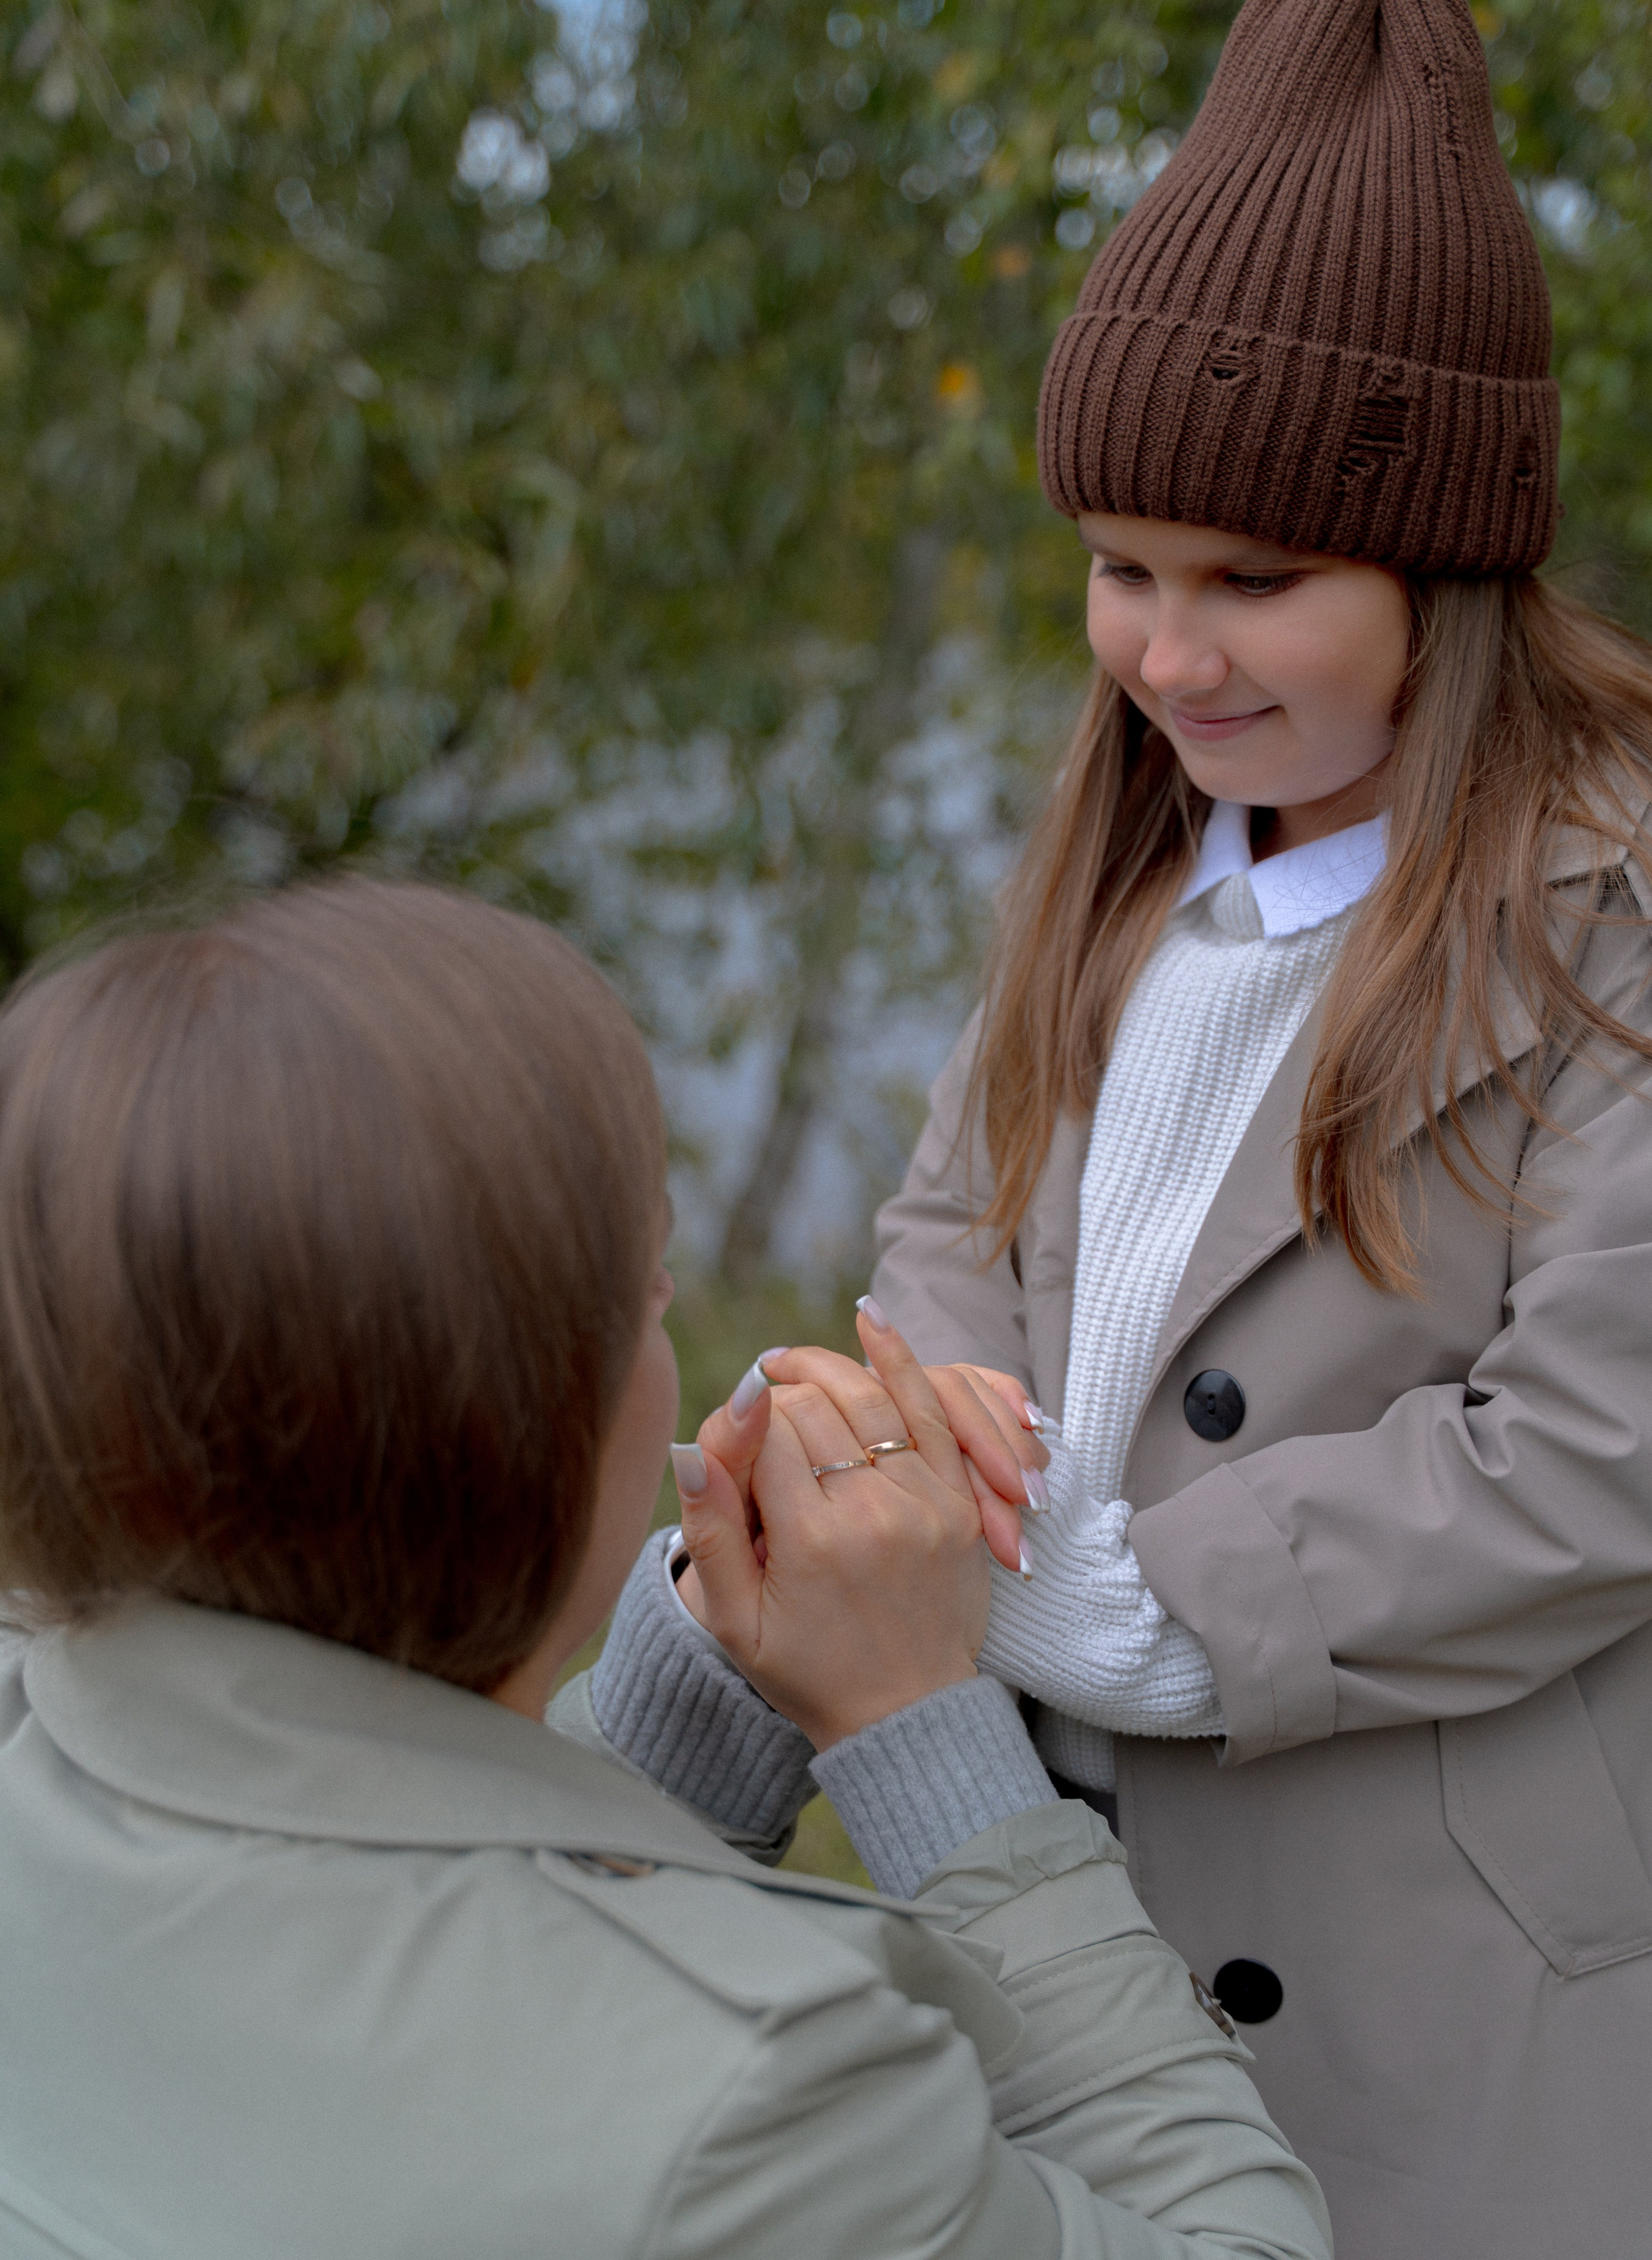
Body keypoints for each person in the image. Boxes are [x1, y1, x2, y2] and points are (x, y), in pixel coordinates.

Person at [0, 878, 1329, 2260]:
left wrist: (702, 1678)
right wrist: (925, 1731)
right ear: (528, 1430)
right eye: (647, 1289)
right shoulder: (756, 2091)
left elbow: (382, 1894)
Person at [871, 3, 1652, 2256]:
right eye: (1125, 568)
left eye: (1255, 581)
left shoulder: (1606, 918)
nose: (1169, 655)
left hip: (1450, 1961)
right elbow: (955, 1218)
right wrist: (941, 1455)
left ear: (1444, 567)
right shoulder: (1120, 867)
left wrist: (1128, 1615)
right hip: (1062, 1893)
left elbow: (1594, 1447)